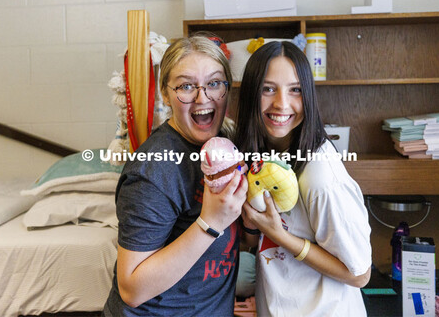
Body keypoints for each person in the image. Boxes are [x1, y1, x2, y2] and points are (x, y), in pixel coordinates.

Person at [103, 36, 248, 316]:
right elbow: (132, 289)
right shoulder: (153, 170)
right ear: (165, 94)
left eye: (214, 83)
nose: (202, 97)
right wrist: (210, 222)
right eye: (186, 86)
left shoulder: (227, 145)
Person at [235, 41, 372, 317]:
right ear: (251, 93)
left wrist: (281, 236)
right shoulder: (266, 155)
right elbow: (259, 240)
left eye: (295, 90)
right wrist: (254, 226)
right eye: (268, 89)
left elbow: (359, 274)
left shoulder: (321, 177)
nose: (281, 104)